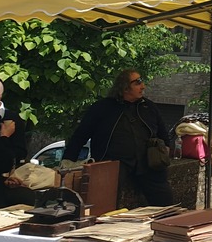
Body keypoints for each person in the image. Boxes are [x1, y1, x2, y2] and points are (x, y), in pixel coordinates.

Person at [63, 70, 174, 206]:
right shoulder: (102, 108)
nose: (143, 86)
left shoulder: (148, 107)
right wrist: (67, 161)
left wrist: (163, 154)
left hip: (148, 164)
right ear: (125, 87)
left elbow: (163, 134)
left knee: (165, 203)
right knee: (102, 205)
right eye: (137, 82)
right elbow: (80, 136)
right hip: (113, 165)